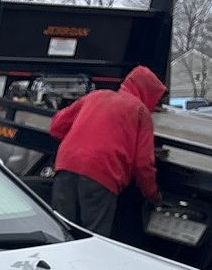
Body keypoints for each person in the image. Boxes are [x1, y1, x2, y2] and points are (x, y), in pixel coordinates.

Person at [46, 65, 166, 238]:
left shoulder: (96, 95)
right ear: (149, 93)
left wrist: (81, 138)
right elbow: (143, 163)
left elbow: (56, 126)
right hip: (101, 175)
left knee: (62, 229)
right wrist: (152, 194)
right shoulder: (140, 112)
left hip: (66, 165)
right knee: (93, 237)